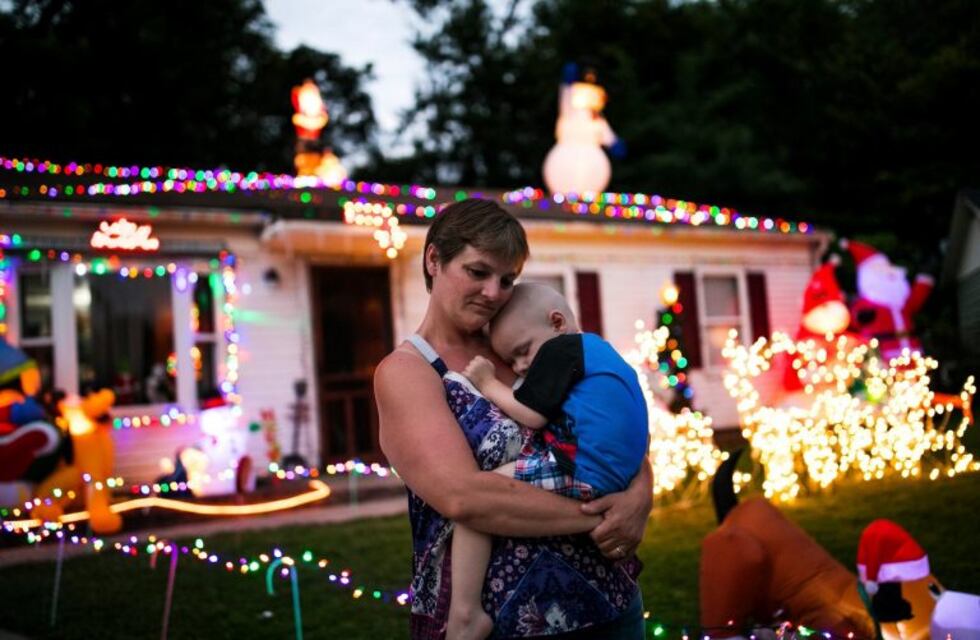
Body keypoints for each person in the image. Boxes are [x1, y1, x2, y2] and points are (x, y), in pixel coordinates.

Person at [374, 198, 654, 640]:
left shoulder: (526, 349)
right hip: (504, 622)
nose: (494, 293)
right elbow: (464, 499)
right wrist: (602, 515)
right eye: (478, 271)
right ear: (434, 260)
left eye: (507, 279)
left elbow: (609, 424)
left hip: (609, 602)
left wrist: (641, 492)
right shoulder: (408, 372)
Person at [448, 282, 649, 640]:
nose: (523, 365)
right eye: (512, 361)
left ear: (557, 322)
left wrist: (487, 382)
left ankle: (465, 616)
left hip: (582, 469)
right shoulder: (600, 351)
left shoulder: (563, 348)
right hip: (615, 474)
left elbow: (532, 414)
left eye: (523, 351)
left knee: (481, 501)